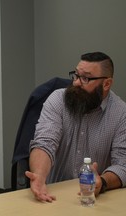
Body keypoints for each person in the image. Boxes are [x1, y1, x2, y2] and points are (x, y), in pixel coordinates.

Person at [25, 51, 126, 202]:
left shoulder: (120, 113)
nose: (77, 82)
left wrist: (102, 182)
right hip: (54, 196)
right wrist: (39, 176)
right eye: (76, 75)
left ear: (106, 84)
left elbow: (123, 164)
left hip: (94, 199)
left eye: (85, 78)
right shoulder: (57, 100)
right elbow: (44, 143)